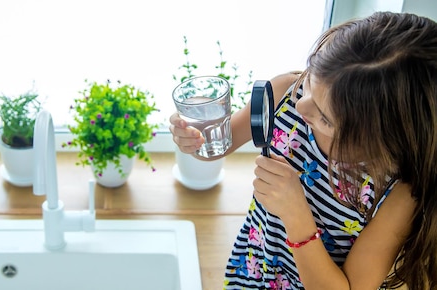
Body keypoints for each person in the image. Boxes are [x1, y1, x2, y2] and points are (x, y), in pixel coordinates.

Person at [169, 11, 437, 290]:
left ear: (378, 139)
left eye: (325, 118)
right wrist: (192, 140)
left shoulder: (399, 192)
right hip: (254, 268)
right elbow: (217, 145)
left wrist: (295, 212)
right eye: (310, 83)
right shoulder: (285, 91)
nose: (301, 107)